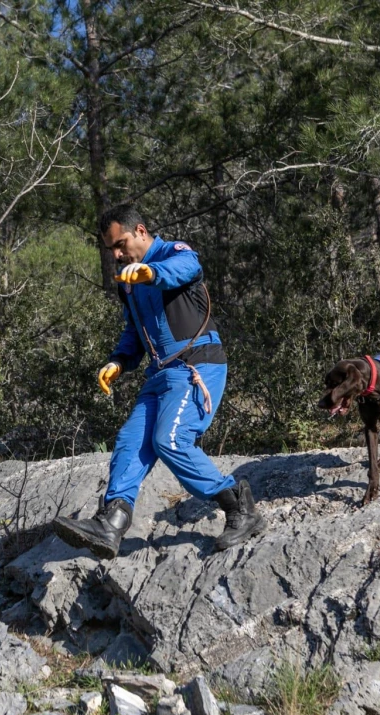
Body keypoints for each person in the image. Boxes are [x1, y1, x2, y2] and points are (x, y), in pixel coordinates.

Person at [52, 205, 265, 559]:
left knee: (170, 439)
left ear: (141, 230)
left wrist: (150, 271)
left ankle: (240, 509)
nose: (118, 255)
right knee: (130, 441)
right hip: (159, 375)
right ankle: (111, 524)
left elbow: (187, 268)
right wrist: (118, 361)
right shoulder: (129, 286)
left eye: (120, 245)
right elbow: (134, 333)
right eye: (112, 250)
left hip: (196, 365)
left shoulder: (173, 254)